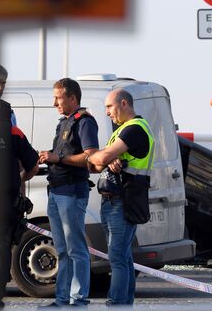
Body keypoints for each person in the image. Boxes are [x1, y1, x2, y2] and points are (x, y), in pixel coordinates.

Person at [86, 89, 154, 306]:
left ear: (123, 103)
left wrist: (94, 155)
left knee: (116, 258)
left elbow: (100, 157)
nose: (107, 113)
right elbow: (97, 164)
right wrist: (103, 159)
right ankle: (125, 304)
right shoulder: (123, 130)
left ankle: (117, 304)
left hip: (122, 201)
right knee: (123, 257)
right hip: (114, 200)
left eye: (109, 107)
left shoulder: (134, 129)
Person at [38, 78, 99, 307]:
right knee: (62, 249)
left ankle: (78, 299)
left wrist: (58, 158)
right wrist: (48, 157)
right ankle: (62, 298)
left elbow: (90, 156)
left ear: (72, 98)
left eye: (59, 97)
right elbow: (61, 155)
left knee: (76, 249)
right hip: (56, 191)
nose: (54, 103)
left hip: (72, 193)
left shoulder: (85, 122)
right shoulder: (64, 122)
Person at [0, 64, 39, 308]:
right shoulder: (10, 127)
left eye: (3, 83)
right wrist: (20, 178)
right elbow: (31, 165)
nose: (1, 88)